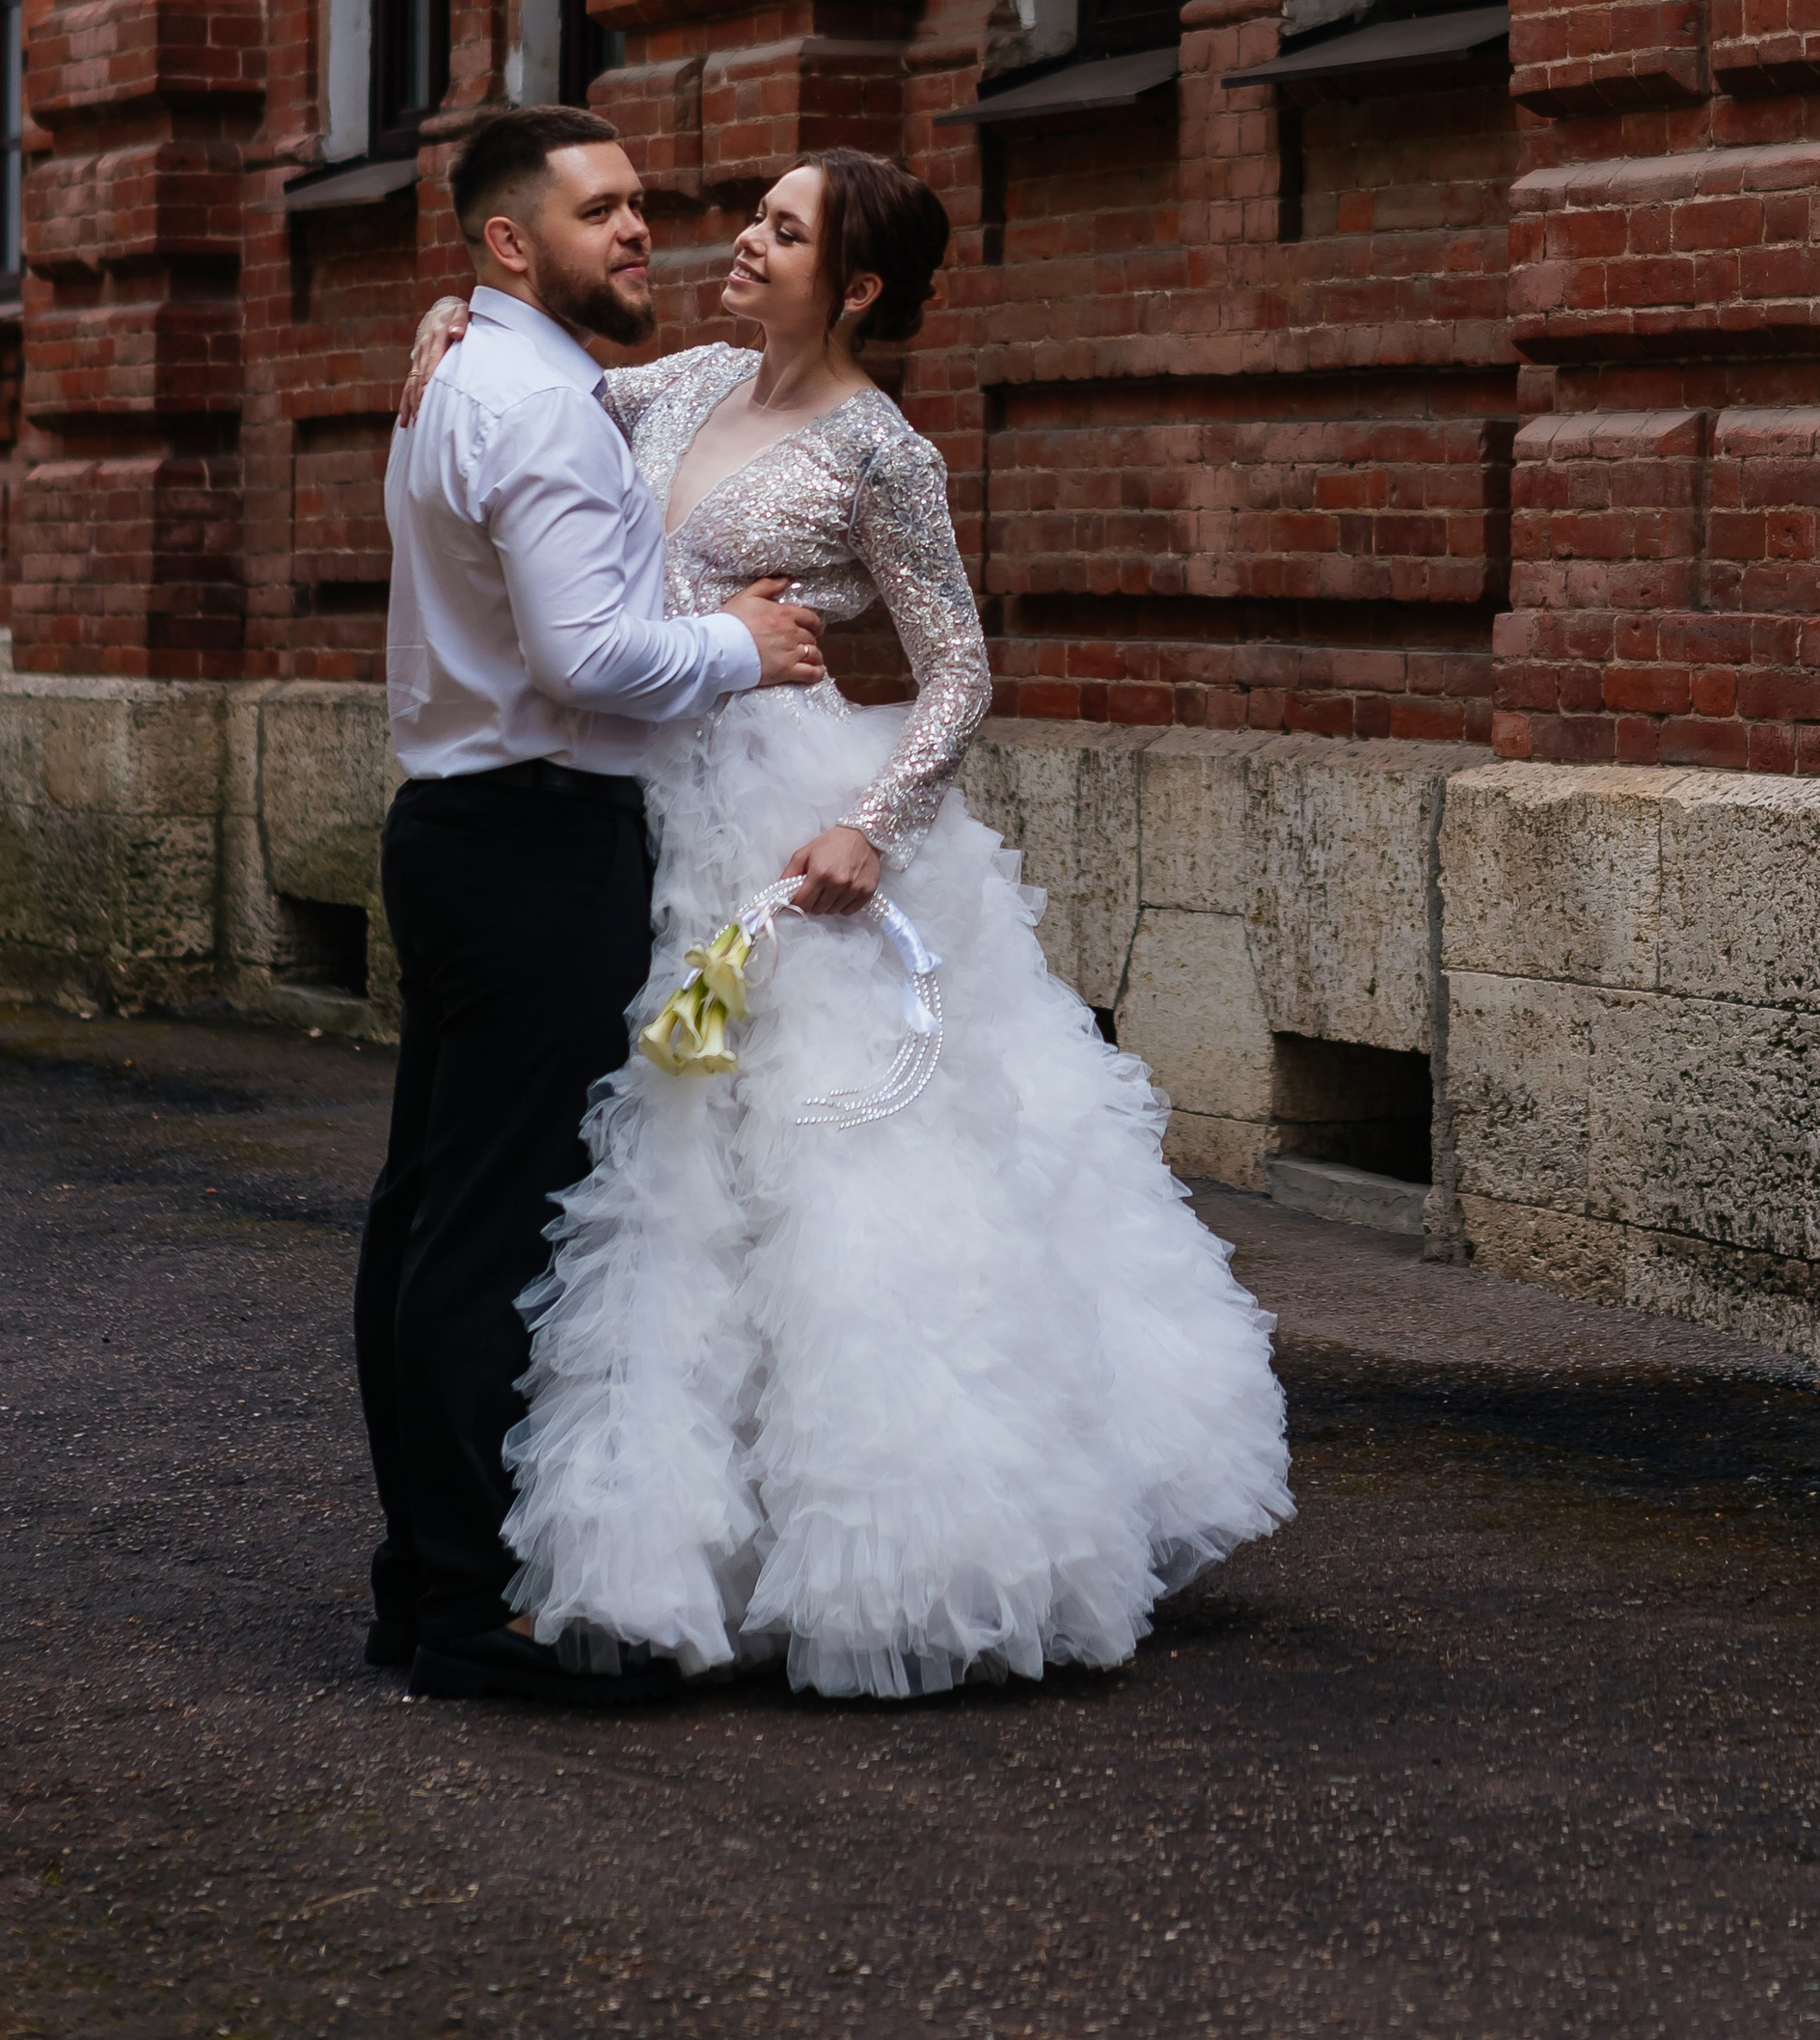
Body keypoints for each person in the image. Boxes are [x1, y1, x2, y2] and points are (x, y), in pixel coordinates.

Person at [397, 143, 1291, 1699]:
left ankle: (878, 1539)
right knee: (647, 1174)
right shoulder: (670, 383)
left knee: (814, 1177)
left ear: (856, 285)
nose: (740, 240)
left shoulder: (883, 454)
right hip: (629, 800)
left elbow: (959, 670)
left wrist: (872, 827)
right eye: (754, 215)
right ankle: (626, 1543)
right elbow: (521, 399)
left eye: (783, 229)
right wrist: (446, 317)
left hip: (781, 818)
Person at [361, 104, 829, 1709]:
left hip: (462, 829)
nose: (642, 229)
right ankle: (473, 1607)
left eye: (640, 205)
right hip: (535, 841)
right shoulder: (538, 409)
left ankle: (418, 1579)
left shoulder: (476, 375)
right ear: (511, 246)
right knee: (487, 1228)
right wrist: (746, 651)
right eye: (601, 211)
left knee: (428, 1212)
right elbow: (591, 658)